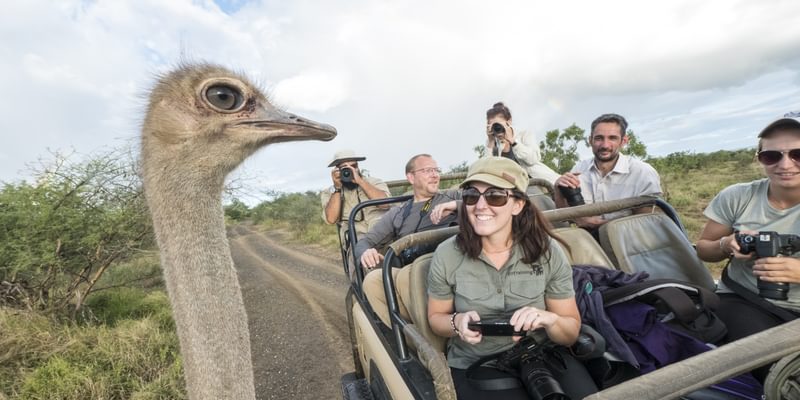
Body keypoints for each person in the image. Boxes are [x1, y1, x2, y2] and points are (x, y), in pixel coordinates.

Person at [426, 157, 596, 400]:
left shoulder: (546, 251)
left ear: (517, 205)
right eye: (472, 195)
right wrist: (457, 322)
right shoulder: (447, 254)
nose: (481, 206)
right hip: (477, 362)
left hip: (542, 352)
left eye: (495, 196)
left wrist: (549, 319)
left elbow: (569, 332)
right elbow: (436, 318)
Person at [696, 113, 800, 382]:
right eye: (772, 156)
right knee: (780, 372)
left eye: (798, 154)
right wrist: (725, 244)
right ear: (759, 158)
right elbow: (703, 249)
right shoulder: (738, 196)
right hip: (746, 299)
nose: (785, 164)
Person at [357, 154, 460, 326]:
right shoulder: (398, 213)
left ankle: (429, 332)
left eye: (436, 170)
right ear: (411, 177)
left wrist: (457, 206)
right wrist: (366, 252)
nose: (435, 175)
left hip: (451, 264)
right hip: (413, 271)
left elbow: (485, 201)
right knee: (374, 280)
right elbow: (364, 242)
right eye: (428, 170)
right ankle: (413, 337)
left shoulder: (453, 196)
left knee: (409, 275)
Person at [553, 113, 662, 230]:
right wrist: (558, 190)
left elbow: (649, 223)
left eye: (612, 138)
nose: (605, 145)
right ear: (590, 140)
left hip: (628, 242)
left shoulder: (642, 173)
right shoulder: (579, 169)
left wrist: (601, 226)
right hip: (589, 240)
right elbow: (565, 217)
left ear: (624, 141)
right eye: (599, 138)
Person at [320, 149, 390, 245]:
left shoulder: (374, 182)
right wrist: (337, 188)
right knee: (362, 251)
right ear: (337, 170)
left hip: (384, 233)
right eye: (344, 167)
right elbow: (331, 219)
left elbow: (385, 204)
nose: (350, 170)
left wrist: (360, 181)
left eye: (353, 166)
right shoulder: (330, 192)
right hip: (356, 238)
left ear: (358, 166)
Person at [483, 102, 561, 185]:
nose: (497, 129)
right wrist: (491, 142)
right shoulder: (491, 143)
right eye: (493, 126)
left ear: (509, 121)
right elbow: (487, 170)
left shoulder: (524, 134)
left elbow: (533, 159)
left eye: (498, 125)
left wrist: (513, 142)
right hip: (512, 187)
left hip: (537, 182)